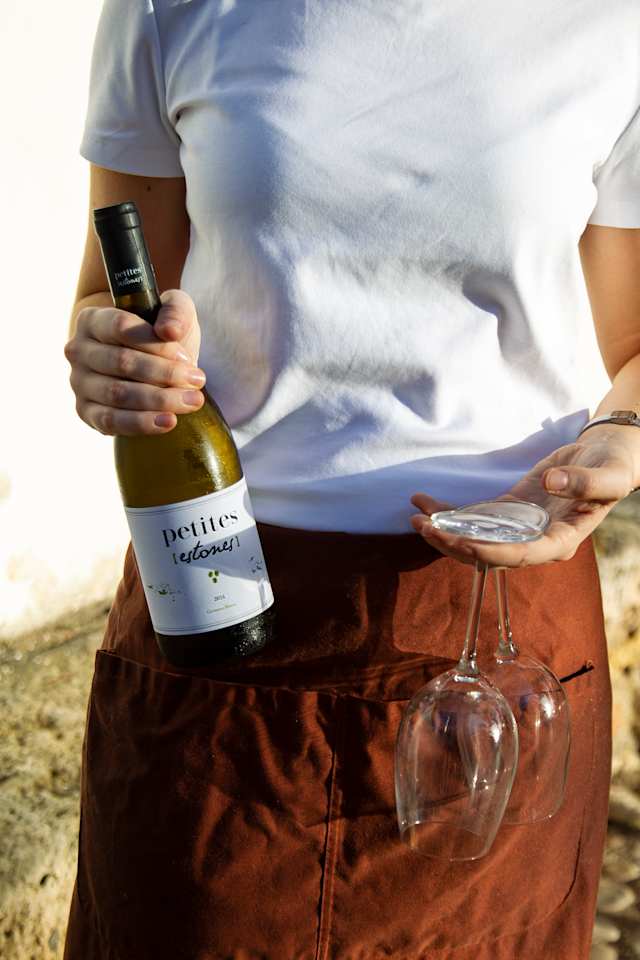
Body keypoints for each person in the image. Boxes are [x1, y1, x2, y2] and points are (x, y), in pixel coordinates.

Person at [62, 1, 640, 957]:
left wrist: (622, 435)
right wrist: (107, 356)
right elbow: (111, 294)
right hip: (218, 616)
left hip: (502, 634)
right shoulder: (170, 9)